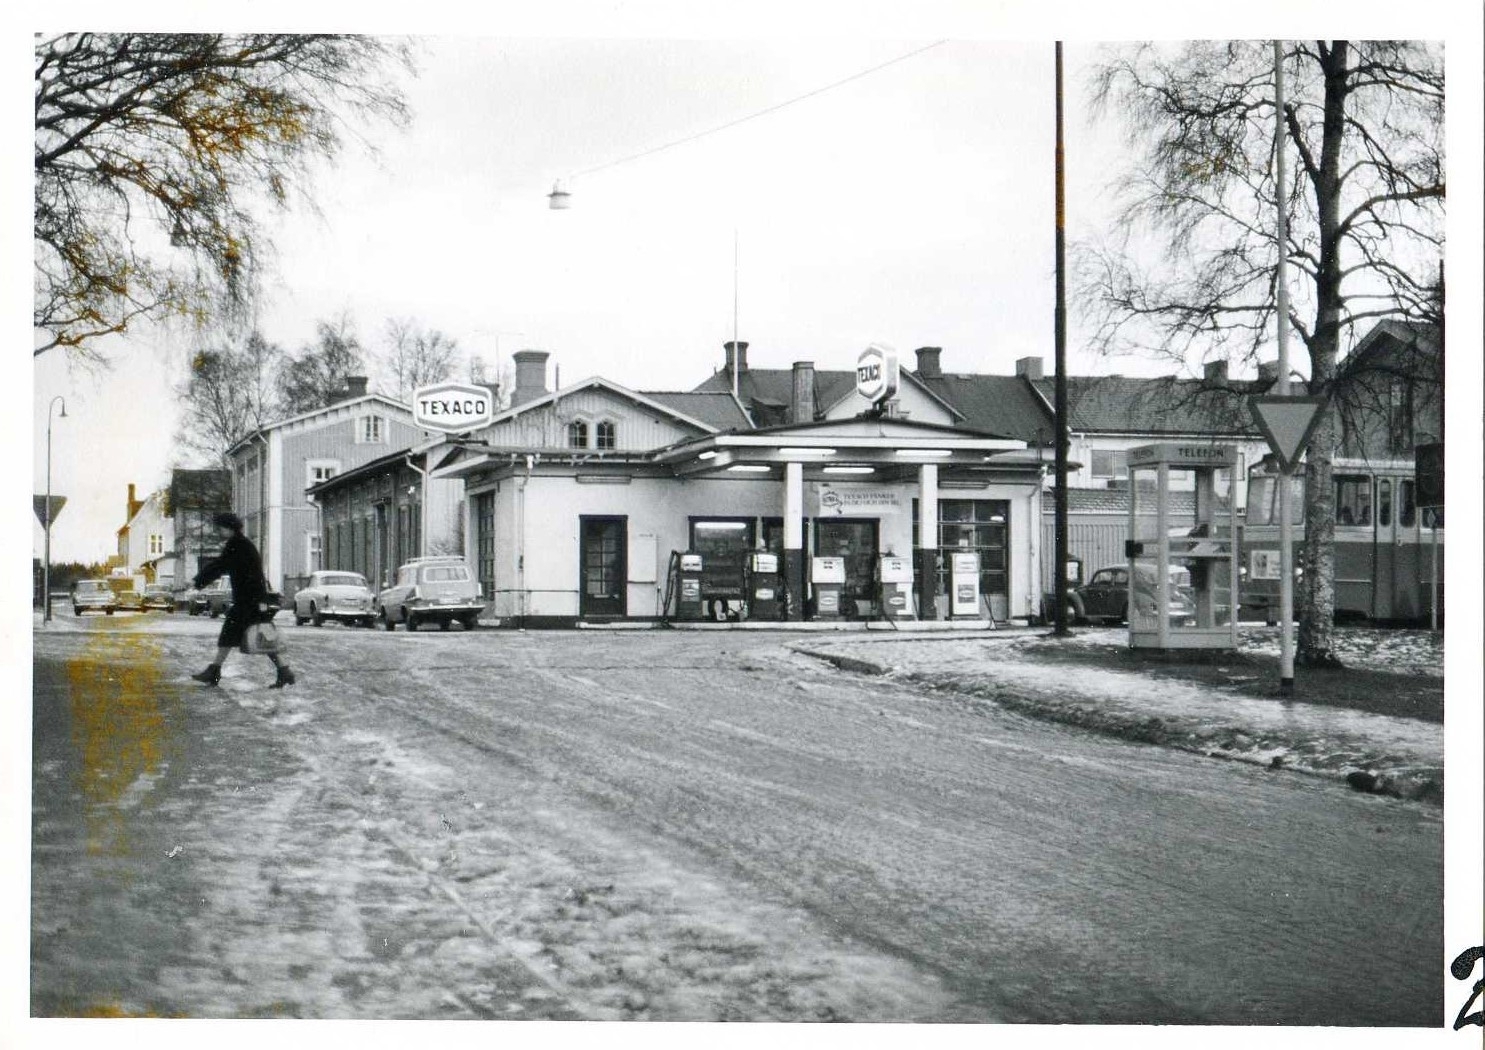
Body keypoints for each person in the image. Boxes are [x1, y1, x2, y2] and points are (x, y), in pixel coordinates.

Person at [190, 512, 295, 689]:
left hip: (248, 600)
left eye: (221, 528)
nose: (219, 531)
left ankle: (214, 671)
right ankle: (284, 672)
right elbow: (225, 566)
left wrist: (197, 581)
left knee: (236, 635)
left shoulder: (237, 546)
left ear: (230, 528)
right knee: (262, 637)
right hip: (251, 599)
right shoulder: (242, 544)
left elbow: (220, 565)